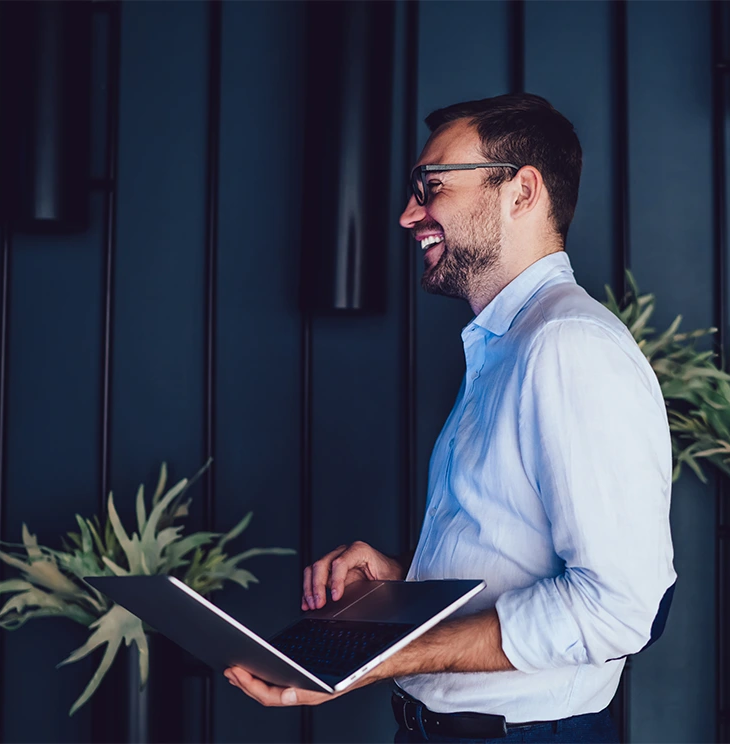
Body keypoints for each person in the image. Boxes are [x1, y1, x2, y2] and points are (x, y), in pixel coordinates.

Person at [226, 93, 676, 744]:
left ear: (521, 191)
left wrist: (385, 653)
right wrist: (410, 578)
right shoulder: (510, 345)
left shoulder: (567, 346)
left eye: (431, 186)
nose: (410, 214)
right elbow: (516, 546)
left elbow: (620, 607)